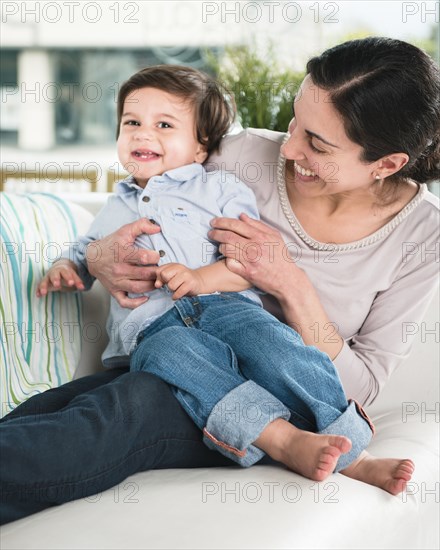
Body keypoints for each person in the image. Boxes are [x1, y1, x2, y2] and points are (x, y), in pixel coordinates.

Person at [1, 37, 438, 524]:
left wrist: (290, 285)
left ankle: (309, 444)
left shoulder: (424, 235)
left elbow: (366, 389)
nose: (289, 147)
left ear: (387, 164)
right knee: (50, 407)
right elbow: (145, 197)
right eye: (296, 120)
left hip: (273, 389)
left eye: (317, 143)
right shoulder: (237, 155)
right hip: (174, 346)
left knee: (125, 410)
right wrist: (101, 258)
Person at [35, 64, 384, 486]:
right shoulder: (114, 205)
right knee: (168, 358)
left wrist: (201, 279)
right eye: (132, 123)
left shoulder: (220, 189)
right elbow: (85, 252)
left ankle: (354, 451)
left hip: (229, 311)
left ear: (201, 148)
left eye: (164, 124)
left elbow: (247, 266)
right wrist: (66, 268)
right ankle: (281, 439)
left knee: (278, 347)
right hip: (154, 328)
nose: (144, 134)